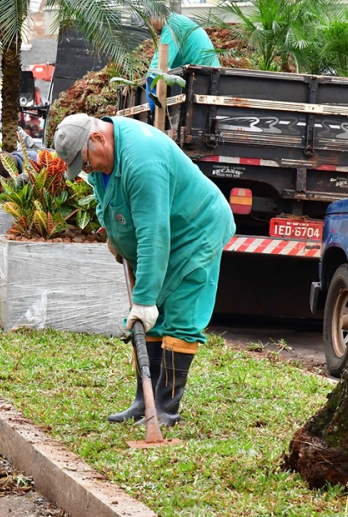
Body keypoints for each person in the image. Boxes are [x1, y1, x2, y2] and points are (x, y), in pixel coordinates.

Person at [53, 113, 235, 427]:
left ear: (97, 139)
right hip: (162, 235)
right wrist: (115, 237)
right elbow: (107, 201)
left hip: (194, 231)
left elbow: (154, 233)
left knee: (178, 314)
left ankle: (164, 408)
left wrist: (146, 298)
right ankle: (143, 402)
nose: (87, 170)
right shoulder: (104, 159)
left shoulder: (142, 162)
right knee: (146, 319)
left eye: (84, 162)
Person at [147, 13, 220, 113]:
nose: (152, 27)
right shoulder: (177, 21)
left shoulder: (172, 25)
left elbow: (160, 62)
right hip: (208, 72)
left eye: (150, 21)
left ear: (157, 14)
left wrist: (144, 82)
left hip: (200, 73)